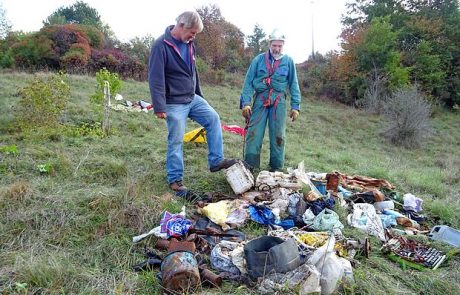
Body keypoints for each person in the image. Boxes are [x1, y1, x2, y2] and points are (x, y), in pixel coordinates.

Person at [148, 11, 236, 195]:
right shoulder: (160, 46)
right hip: (173, 102)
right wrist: (159, 106)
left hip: (191, 98)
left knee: (213, 119)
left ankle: (216, 161)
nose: (193, 36)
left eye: (196, 34)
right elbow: (155, 78)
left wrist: (199, 96)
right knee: (176, 140)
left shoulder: (190, 45)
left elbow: (193, 72)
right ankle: (175, 180)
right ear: (181, 26)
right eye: (192, 32)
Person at [240, 29, 302, 171]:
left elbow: (293, 84)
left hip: (278, 101)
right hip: (260, 100)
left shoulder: (289, 61)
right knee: (254, 133)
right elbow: (248, 82)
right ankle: (251, 167)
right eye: (274, 45)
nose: (277, 48)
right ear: (269, 44)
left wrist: (295, 106)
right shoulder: (258, 60)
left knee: (278, 136)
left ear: (283, 45)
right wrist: (246, 103)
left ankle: (276, 168)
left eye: (280, 46)